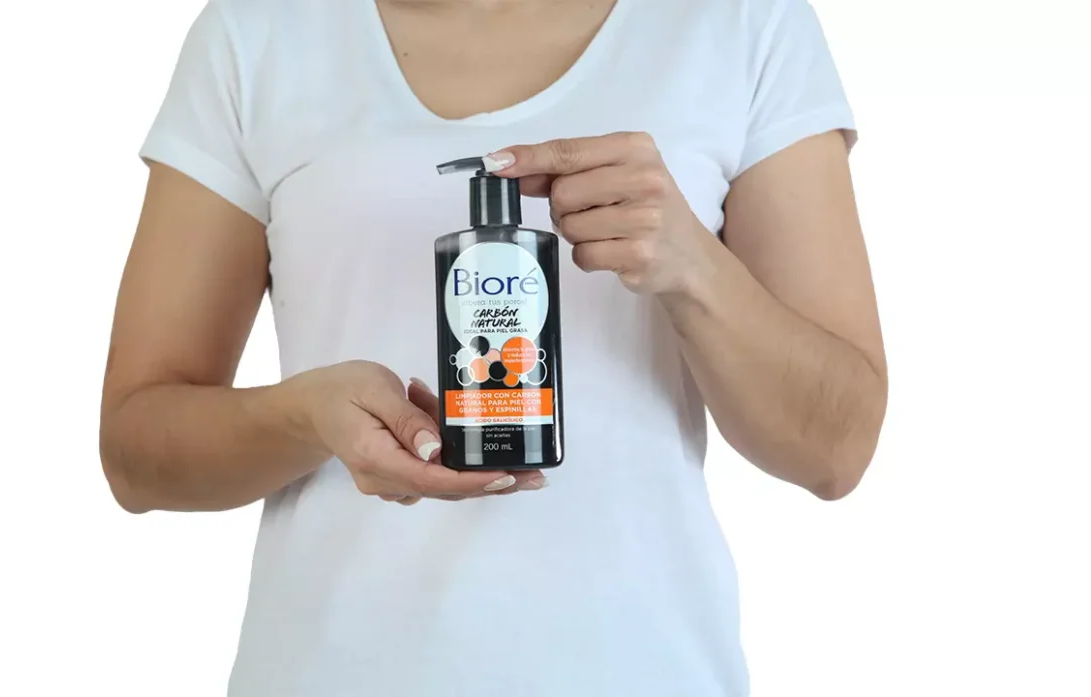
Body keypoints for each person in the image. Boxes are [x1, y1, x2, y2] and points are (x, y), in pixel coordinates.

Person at [98, 0, 888, 694]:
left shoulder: (741, 22)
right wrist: (305, 417)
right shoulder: (260, 32)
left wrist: (697, 269)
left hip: (642, 668)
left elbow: (835, 448)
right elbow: (136, 451)